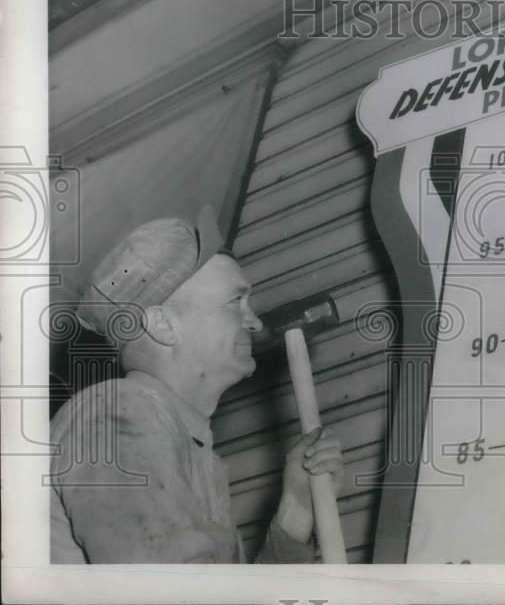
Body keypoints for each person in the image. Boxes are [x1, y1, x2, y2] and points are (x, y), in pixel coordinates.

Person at [50, 206, 346, 563]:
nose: (253, 322)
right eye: (234, 302)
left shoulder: (189, 448)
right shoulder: (118, 414)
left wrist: (296, 511)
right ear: (161, 324)